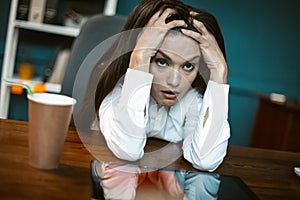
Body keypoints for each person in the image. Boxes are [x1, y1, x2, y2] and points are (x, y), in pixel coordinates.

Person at [87, 0, 230, 172]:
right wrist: (140, 57)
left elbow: (206, 160)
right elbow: (128, 150)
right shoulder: (119, 90)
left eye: (188, 66)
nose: (175, 81)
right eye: (161, 62)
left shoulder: (192, 100)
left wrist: (219, 73)